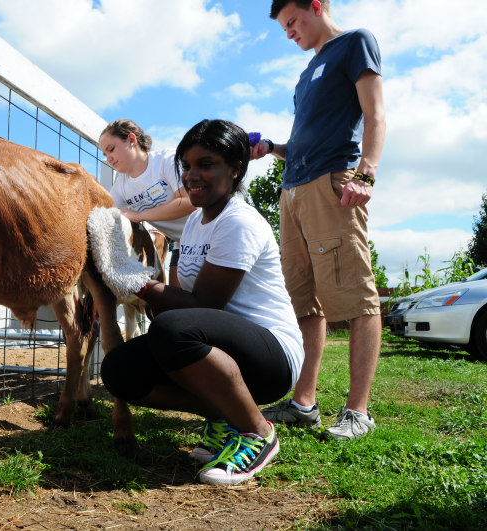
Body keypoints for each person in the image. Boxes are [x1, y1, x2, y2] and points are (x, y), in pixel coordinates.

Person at [100, 119, 304, 485]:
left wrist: (134, 282)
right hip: (218, 347)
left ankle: (258, 432)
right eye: (188, 166)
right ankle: (227, 415)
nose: (192, 175)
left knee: (174, 330)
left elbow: (202, 304)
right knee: (119, 370)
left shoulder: (238, 222)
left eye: (206, 165)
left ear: (235, 168)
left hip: (271, 356)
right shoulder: (194, 223)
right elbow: (179, 299)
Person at [251, 0, 386, 440]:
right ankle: (304, 403)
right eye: (283, 28)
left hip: (334, 183)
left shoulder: (354, 44)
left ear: (316, 6)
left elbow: (374, 113)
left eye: (292, 22)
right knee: (303, 300)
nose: (289, 33)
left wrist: (366, 172)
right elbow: (304, 139)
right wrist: (273, 147)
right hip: (291, 191)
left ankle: (358, 412)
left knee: (356, 294)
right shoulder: (305, 75)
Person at [99, 119, 197, 286]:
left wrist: (138, 215)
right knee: (179, 304)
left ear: (131, 140)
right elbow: (105, 217)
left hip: (211, 231)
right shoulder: (120, 187)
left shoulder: (167, 160)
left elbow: (190, 202)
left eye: (111, 149)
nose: (109, 158)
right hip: (183, 243)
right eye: (105, 155)